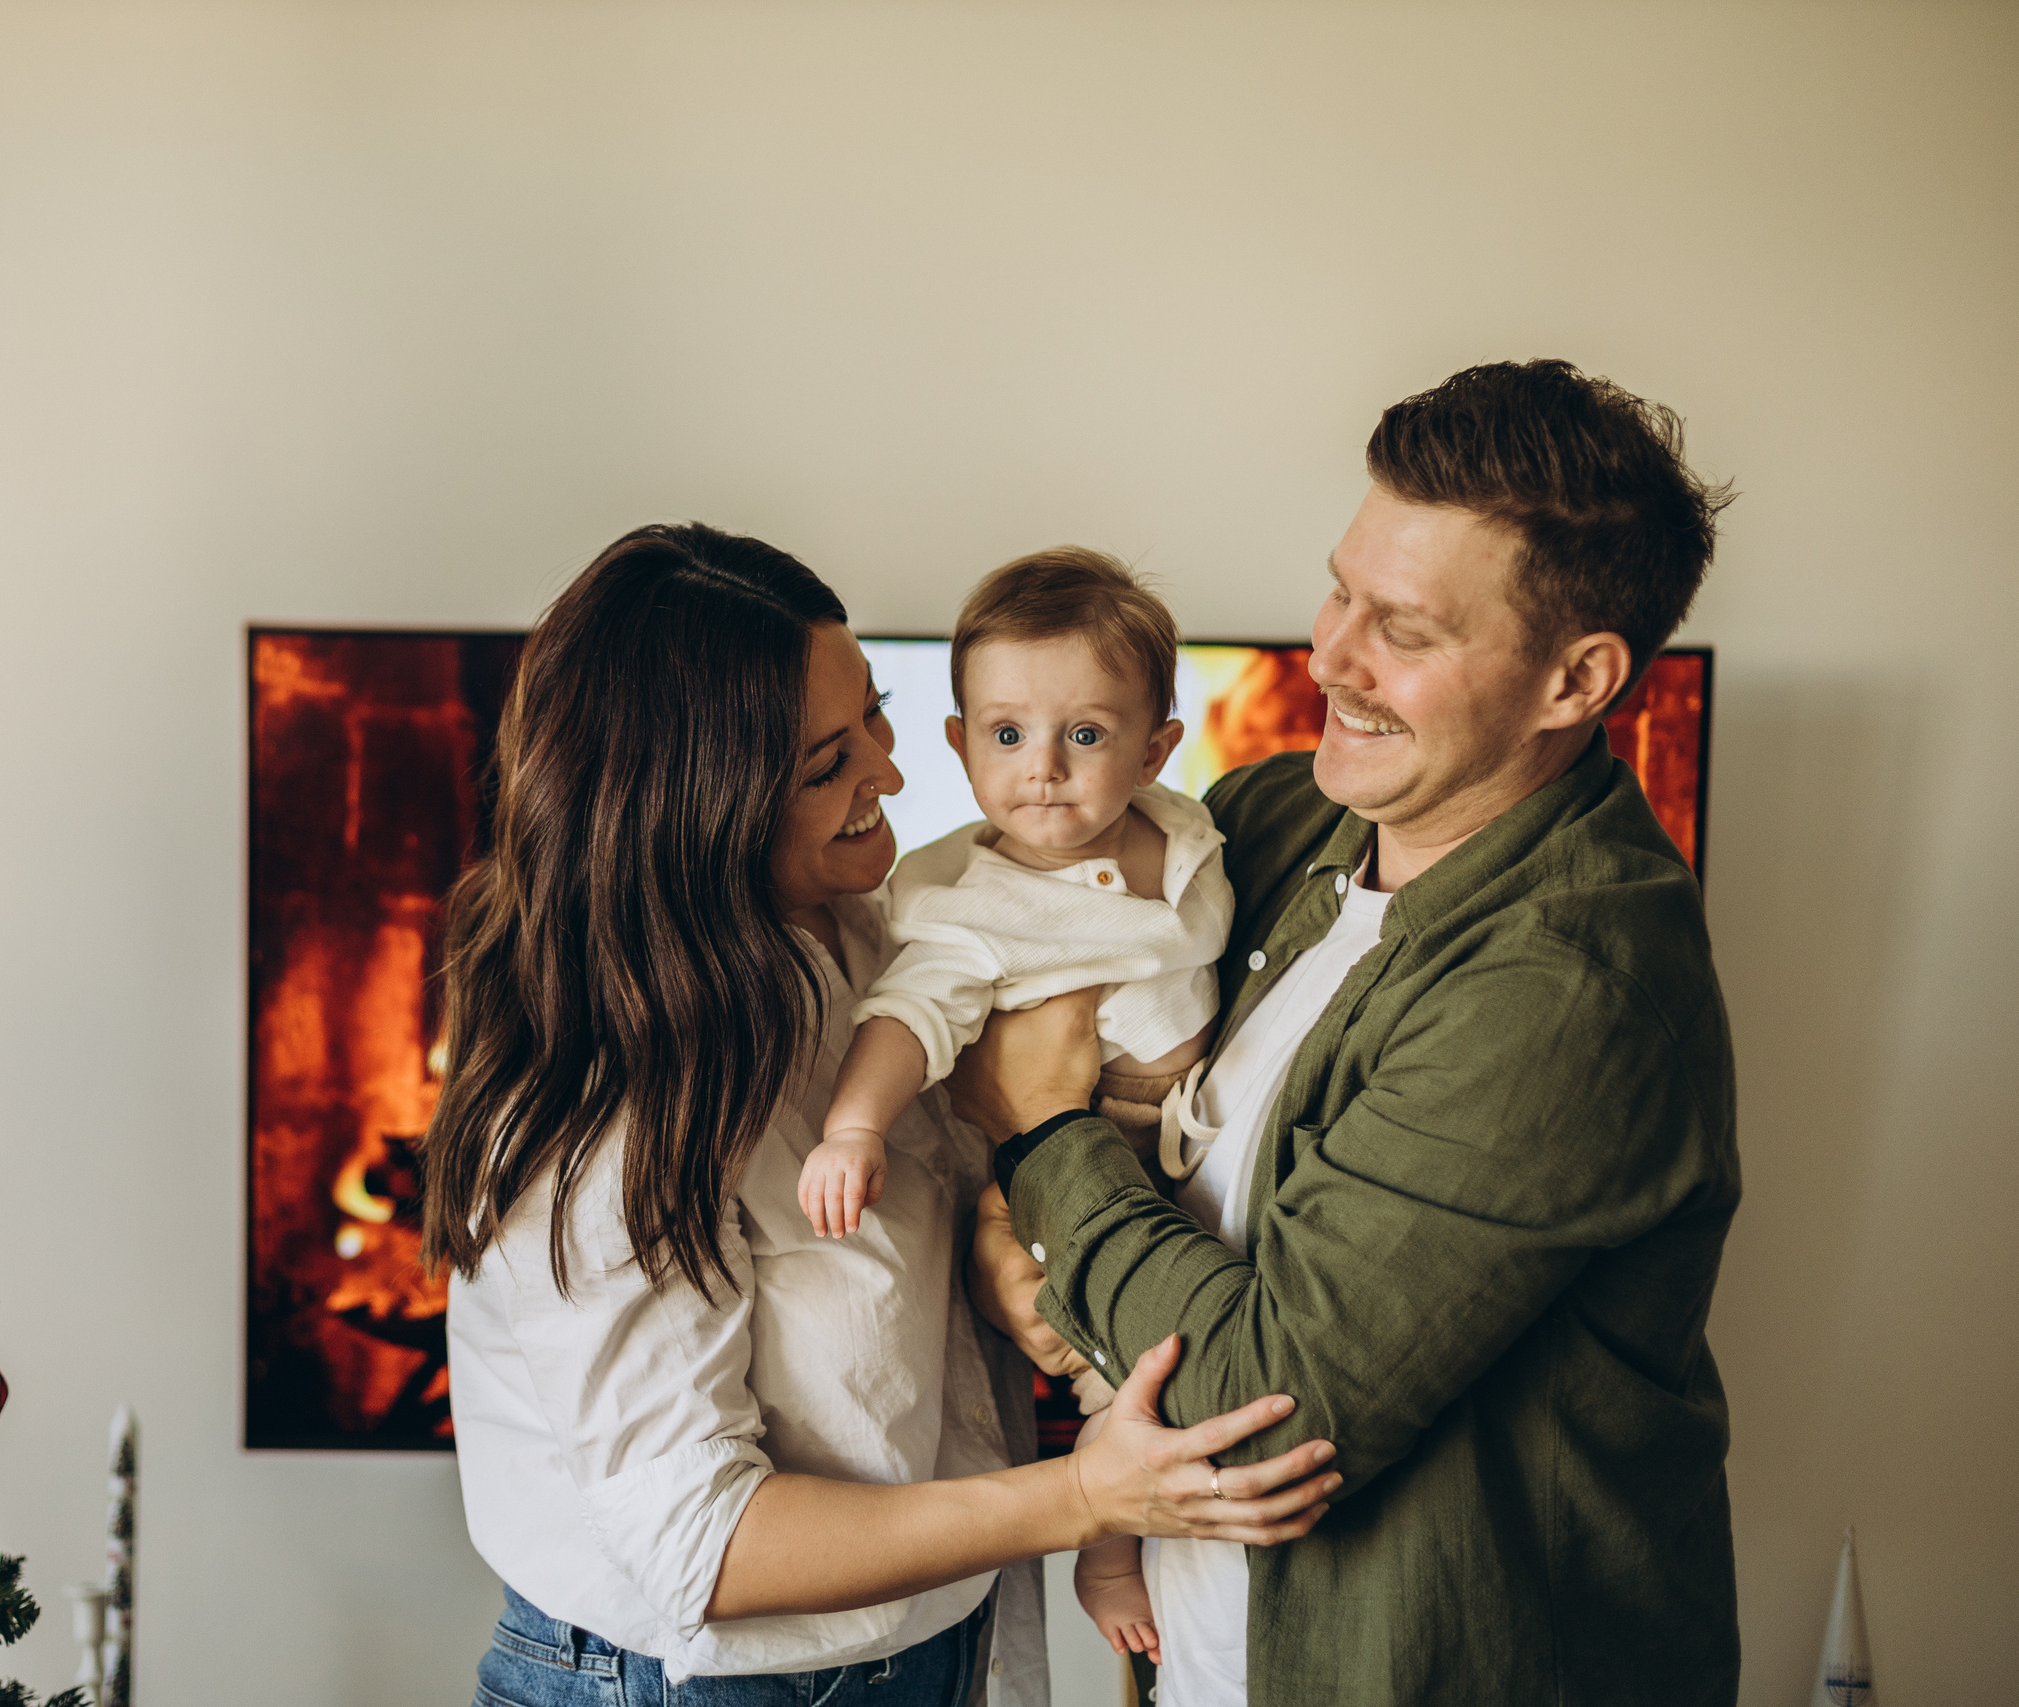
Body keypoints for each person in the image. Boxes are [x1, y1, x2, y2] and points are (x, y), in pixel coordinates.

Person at [427, 524, 1342, 1707]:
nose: (897, 778)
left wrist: (992, 1256)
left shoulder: (877, 935)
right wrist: (1086, 1500)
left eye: (878, 714)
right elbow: (701, 1546)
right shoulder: (607, 1111)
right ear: (695, 806)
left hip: (929, 1647)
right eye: (826, 764)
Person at [965, 360, 1743, 1707]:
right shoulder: (1273, 822)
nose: (1329, 654)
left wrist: (1039, 1140)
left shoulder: (1567, 984)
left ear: (1577, 678)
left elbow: (1264, 1403)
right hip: (1221, 1657)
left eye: (1405, 626)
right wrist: (1006, 1235)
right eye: (1341, 587)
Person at [797, 548, 1232, 1248]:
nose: (1044, 767)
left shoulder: (1185, 825)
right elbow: (908, 1016)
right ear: (962, 745)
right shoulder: (970, 905)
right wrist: (854, 1129)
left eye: (1085, 734)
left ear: (1153, 753)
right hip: (1086, 1145)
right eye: (1007, 735)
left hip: (1209, 1128)